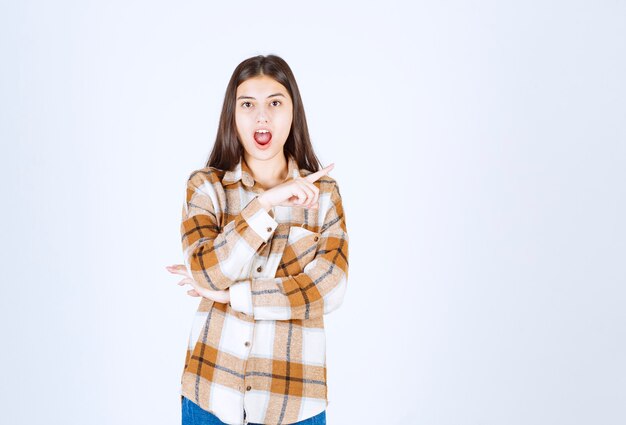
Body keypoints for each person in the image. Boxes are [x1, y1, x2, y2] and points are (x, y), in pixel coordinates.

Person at [166, 54, 349, 425]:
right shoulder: (206, 188)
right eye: (248, 104)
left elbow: (329, 289)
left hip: (295, 400)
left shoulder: (324, 194)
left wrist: (235, 297)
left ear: (292, 112)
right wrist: (266, 202)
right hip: (211, 393)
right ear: (232, 115)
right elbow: (206, 272)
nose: (261, 117)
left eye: (275, 103)